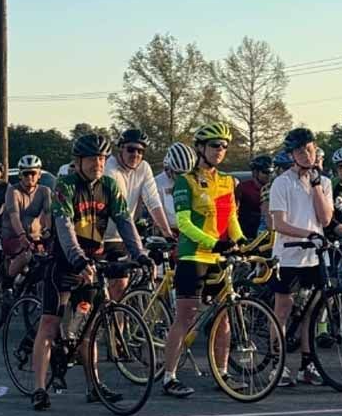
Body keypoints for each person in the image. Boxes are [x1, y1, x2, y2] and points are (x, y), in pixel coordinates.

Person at [29, 134, 150, 412]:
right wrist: (78, 260)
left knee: (89, 329)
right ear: (78, 161)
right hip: (64, 264)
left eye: (102, 158)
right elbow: (65, 226)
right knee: (49, 324)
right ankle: (38, 388)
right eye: (92, 158)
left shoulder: (109, 186)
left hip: (92, 263)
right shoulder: (66, 186)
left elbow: (125, 222)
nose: (98, 163)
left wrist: (140, 254)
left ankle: (93, 386)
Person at [160, 123, 245, 399]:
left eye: (223, 146)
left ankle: (222, 372)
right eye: (214, 145)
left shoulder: (227, 181)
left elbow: (230, 217)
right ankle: (169, 376)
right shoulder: (187, 181)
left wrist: (241, 241)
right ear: (200, 148)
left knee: (223, 319)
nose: (220, 150)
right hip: (192, 255)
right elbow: (183, 222)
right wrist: (212, 242)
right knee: (185, 317)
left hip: (218, 256)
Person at [268, 127, 334, 387]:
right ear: (291, 155)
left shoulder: (324, 182)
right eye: (300, 151)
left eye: (309, 149)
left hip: (315, 257)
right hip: (288, 256)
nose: (306, 155)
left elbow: (325, 219)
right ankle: (278, 365)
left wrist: (316, 185)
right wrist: (307, 234)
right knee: (282, 311)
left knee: (311, 312)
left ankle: (309, 366)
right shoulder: (281, 183)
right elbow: (279, 224)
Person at [102, 128, 174, 303]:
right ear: (120, 148)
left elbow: (153, 203)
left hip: (121, 237)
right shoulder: (109, 169)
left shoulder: (144, 168)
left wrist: (167, 234)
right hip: (100, 236)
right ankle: (80, 326)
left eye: (141, 151)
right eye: (131, 149)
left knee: (120, 289)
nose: (136, 154)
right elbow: (120, 209)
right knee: (92, 296)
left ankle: (116, 329)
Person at [0, 155, 51, 285]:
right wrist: (22, 235)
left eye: (33, 173)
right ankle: (8, 283)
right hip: (12, 234)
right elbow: (14, 216)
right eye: (26, 173)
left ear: (39, 174)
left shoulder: (45, 191)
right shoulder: (13, 191)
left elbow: (48, 213)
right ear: (20, 175)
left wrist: (48, 231)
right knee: (26, 255)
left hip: (34, 235)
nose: (30, 177)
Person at [153, 142, 196, 230]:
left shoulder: (195, 180)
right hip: (168, 230)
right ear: (168, 169)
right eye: (179, 174)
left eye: (187, 174)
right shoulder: (157, 183)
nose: (183, 178)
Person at [236, 155, 273, 239]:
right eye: (265, 172)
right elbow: (234, 211)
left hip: (268, 232)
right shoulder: (243, 188)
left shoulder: (274, 188)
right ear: (255, 172)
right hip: (247, 232)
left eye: (271, 172)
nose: (269, 175)